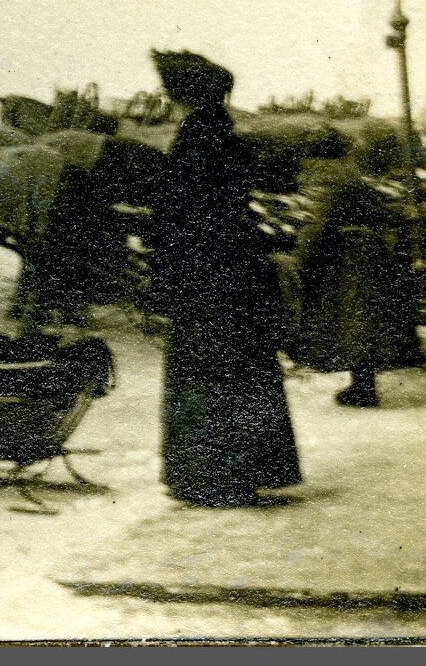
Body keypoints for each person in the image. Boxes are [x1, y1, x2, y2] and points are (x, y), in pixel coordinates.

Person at [150, 49, 302, 508]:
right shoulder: (225, 134)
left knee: (206, 371)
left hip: (205, 277)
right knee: (244, 369)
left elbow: (180, 215)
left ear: (183, 94)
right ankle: (247, 470)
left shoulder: (193, 139)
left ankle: (210, 477)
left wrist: (165, 274)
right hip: (237, 272)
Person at [287, 124, 423, 408]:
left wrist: (304, 257)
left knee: (352, 322)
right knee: (364, 322)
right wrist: (403, 214)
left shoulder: (324, 179)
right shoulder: (349, 175)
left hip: (346, 257)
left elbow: (320, 224)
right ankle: (363, 384)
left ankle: (363, 388)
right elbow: (375, 210)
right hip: (369, 253)